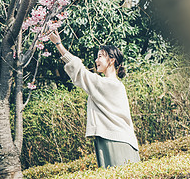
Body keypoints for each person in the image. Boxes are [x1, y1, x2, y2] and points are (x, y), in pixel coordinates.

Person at [49, 31, 140, 168]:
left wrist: (59, 45)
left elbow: (79, 71)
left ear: (112, 60)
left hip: (116, 140)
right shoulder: (110, 84)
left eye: (100, 57)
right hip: (114, 138)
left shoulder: (110, 85)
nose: (96, 61)